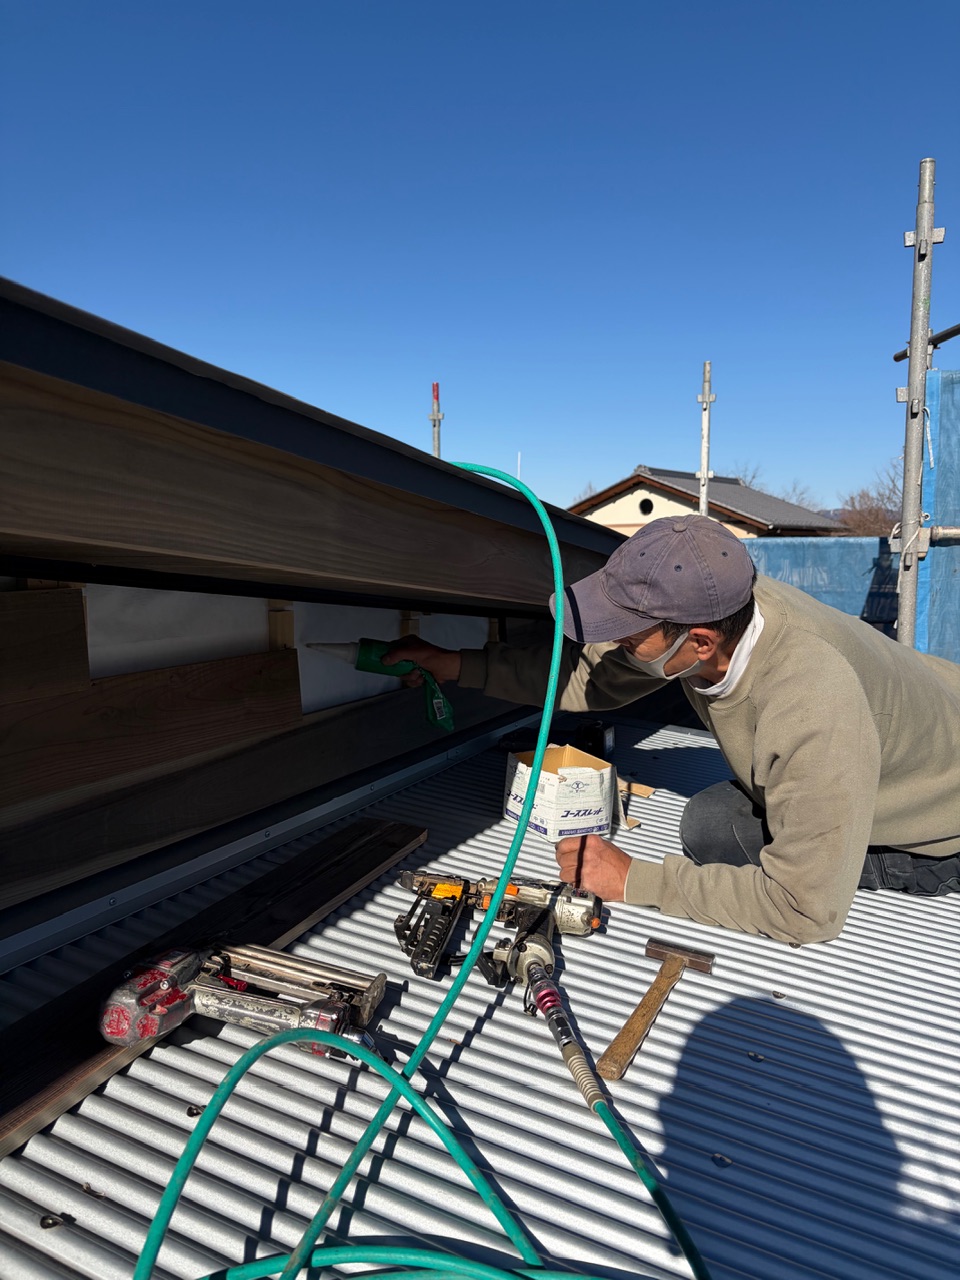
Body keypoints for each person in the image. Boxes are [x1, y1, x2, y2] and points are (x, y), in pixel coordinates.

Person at [384, 515, 960, 944]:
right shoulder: (722, 608)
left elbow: (804, 912)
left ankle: (900, 861)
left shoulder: (810, 702)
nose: (616, 644)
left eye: (629, 636)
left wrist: (633, 880)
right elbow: (591, 678)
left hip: (943, 812)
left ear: (700, 642)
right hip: (915, 724)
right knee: (708, 823)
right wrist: (454, 664)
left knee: (740, 848)